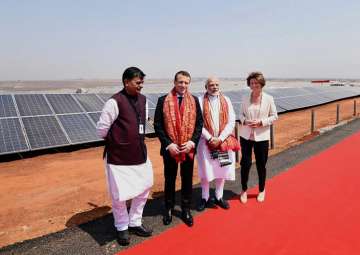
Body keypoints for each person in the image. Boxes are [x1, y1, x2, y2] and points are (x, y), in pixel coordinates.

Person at [96, 67, 153, 246]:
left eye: (142, 82)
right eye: (138, 82)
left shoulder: (144, 100)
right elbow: (101, 130)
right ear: (126, 82)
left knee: (145, 187)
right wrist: (119, 141)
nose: (141, 86)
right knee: (119, 195)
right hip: (118, 157)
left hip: (139, 154)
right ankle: (122, 227)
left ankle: (135, 222)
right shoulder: (114, 102)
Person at [154, 70, 203, 227]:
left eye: (186, 82)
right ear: (174, 82)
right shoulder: (163, 100)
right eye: (180, 82)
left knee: (187, 179)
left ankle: (185, 209)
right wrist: (169, 144)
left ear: (189, 84)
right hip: (171, 149)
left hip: (188, 148)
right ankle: (168, 209)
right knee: (169, 179)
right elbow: (158, 125)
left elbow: (199, 124)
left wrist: (192, 142)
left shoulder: (194, 100)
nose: (183, 85)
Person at [196, 77, 240, 211]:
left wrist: (220, 139)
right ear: (206, 87)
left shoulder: (226, 100)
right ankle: (205, 197)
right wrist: (210, 138)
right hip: (205, 142)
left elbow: (231, 121)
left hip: (223, 142)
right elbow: (198, 122)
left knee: (221, 169)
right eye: (211, 85)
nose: (214, 87)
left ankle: (219, 196)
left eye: (216, 85)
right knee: (206, 170)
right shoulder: (199, 101)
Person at [239, 71, 278, 203]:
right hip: (246, 136)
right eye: (251, 83)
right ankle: (244, 190)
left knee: (261, 165)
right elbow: (240, 115)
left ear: (261, 84)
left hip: (261, 137)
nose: (254, 85)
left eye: (256, 83)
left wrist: (261, 122)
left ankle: (262, 190)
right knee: (245, 164)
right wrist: (245, 121)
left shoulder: (269, 98)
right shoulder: (244, 97)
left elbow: (274, 116)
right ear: (249, 84)